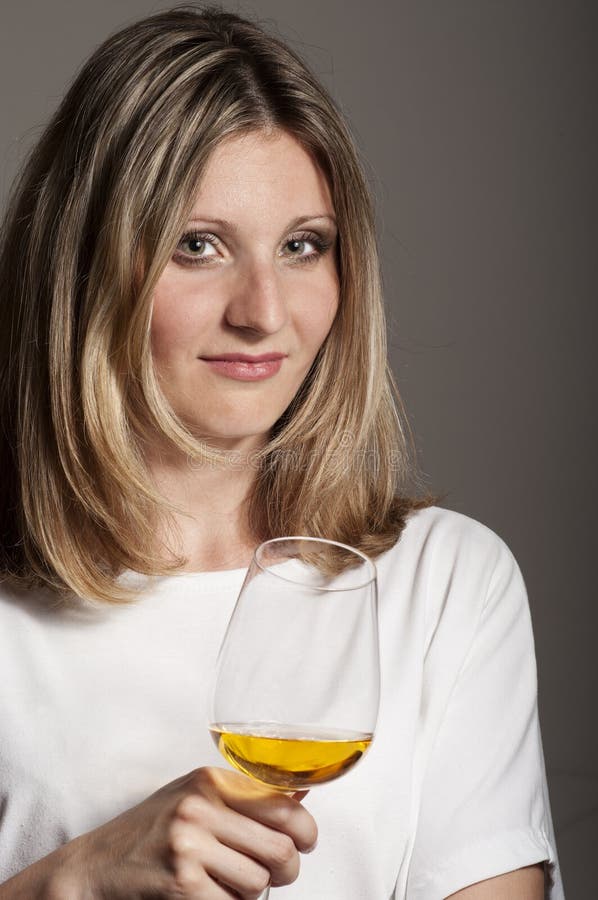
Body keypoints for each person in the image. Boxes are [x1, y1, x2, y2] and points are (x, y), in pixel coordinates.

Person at [0, 5, 564, 898]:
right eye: (199, 245)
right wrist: (68, 883)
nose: (264, 311)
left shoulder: (446, 583)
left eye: (303, 246)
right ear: (85, 267)